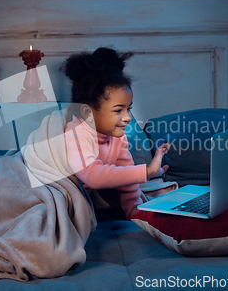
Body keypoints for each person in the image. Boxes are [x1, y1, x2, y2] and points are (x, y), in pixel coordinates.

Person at [62, 47, 170, 220]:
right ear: (87, 112)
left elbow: (127, 179)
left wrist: (135, 213)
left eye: (129, 109)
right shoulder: (77, 133)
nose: (128, 117)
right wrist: (147, 171)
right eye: (118, 110)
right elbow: (93, 176)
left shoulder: (118, 139)